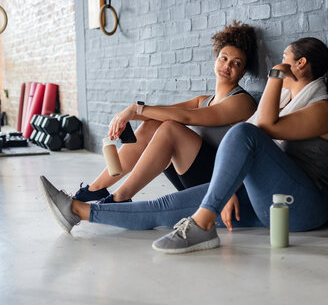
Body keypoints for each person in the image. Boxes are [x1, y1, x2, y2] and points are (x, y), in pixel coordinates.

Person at [40, 36, 328, 254]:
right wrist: (136, 110)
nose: (278, 64)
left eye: (286, 58)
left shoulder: (323, 109)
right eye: (223, 58)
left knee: (240, 133)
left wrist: (277, 74)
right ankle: (78, 210)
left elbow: (261, 129)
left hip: (304, 207)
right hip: (268, 199)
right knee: (165, 209)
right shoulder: (289, 101)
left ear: (299, 64)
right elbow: (178, 114)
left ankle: (203, 223)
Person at [64, 21, 258, 204]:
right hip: (197, 177)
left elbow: (186, 117)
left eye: (236, 63)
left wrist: (135, 109)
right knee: (154, 123)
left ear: (242, 73)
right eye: (224, 58)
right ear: (214, 62)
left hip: (224, 186)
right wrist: (124, 116)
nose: (227, 66)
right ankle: (95, 188)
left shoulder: (241, 101)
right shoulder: (203, 100)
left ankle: (120, 198)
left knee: (171, 129)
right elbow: (166, 112)